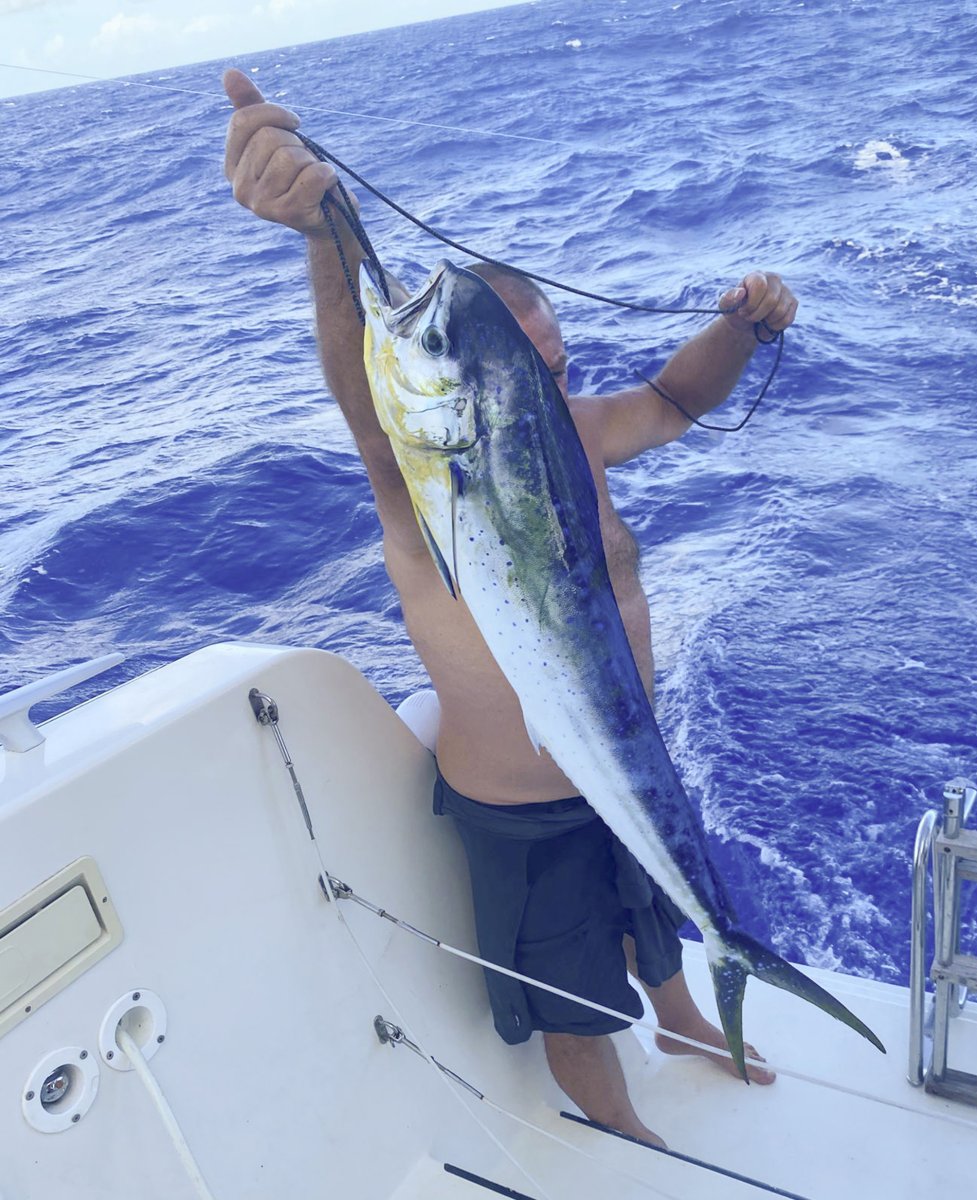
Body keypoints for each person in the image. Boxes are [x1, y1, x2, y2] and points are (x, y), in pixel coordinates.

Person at [223, 68, 797, 1148]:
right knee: (575, 1008)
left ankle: (681, 1023)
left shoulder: (572, 431)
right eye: (507, 372)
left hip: (624, 762)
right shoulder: (414, 480)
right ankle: (631, 1134)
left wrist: (745, 329)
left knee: (654, 921)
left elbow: (674, 400)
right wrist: (320, 235)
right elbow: (368, 395)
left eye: (551, 368)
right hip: (520, 812)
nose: (531, 394)